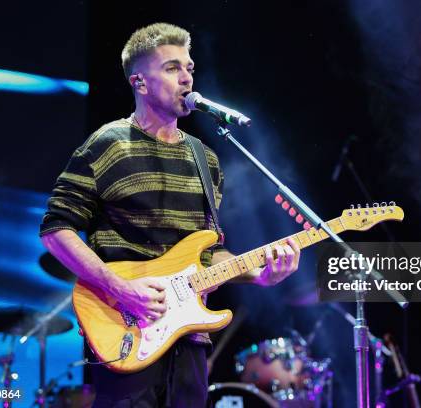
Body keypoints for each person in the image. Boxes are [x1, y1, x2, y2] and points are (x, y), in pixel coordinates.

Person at [39, 22, 300, 407]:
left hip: (190, 342)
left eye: (190, 68)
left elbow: (209, 256)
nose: (186, 78)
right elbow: (55, 229)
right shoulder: (108, 144)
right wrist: (120, 288)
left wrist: (260, 274)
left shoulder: (205, 159)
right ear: (140, 83)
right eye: (172, 68)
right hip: (127, 332)